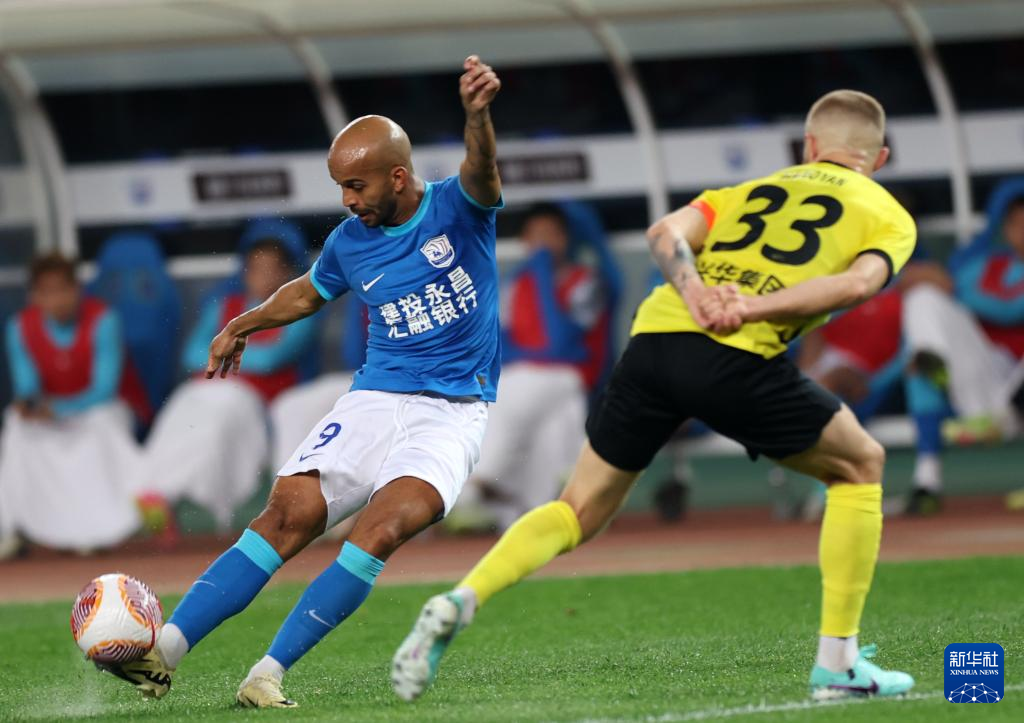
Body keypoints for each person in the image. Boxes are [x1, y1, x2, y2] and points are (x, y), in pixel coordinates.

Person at [393, 89, 918, 702]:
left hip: (655, 342)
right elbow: (856, 284)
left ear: (808, 146)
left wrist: (695, 293)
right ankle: (839, 665)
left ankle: (463, 597)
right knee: (860, 465)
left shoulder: (746, 191)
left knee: (576, 509)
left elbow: (665, 232)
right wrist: (749, 306)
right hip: (736, 353)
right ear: (879, 158)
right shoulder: (887, 214)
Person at [99, 55, 503, 709]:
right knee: (286, 514)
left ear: (398, 177)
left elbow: (482, 168)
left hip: (453, 412)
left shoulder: (460, 209)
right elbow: (308, 292)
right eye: (340, 186)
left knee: (378, 531)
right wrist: (243, 323)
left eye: (356, 185)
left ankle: (267, 673)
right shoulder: (350, 240)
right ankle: (160, 655)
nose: (347, 200)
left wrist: (477, 117)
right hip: (375, 397)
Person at [137, 224, 317, 531]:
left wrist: (224, 353)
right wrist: (236, 357)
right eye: (256, 268)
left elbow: (272, 358)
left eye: (272, 268)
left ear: (287, 272)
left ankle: (169, 492)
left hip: (256, 400)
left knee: (216, 421)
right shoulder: (224, 306)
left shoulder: (300, 308)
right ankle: (151, 491)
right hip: (205, 390)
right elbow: (191, 353)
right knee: (180, 411)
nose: (263, 276)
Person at [455, 202, 612, 530]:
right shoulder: (515, 285)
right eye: (535, 236)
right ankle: (522, 512)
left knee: (506, 397)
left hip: (568, 376)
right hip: (534, 383)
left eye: (551, 234)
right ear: (524, 241)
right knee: (545, 435)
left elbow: (560, 343)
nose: (542, 243)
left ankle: (479, 482)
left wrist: (541, 274)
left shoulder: (586, 281)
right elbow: (499, 345)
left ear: (565, 239)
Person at [0, 254, 141, 555]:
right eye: (47, 292)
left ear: (78, 289)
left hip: (98, 411)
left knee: (103, 420)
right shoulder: (19, 326)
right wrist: (29, 405)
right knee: (14, 422)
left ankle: (99, 529)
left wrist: (59, 409)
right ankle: (12, 527)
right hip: (53, 414)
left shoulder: (104, 319)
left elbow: (104, 389)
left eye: (63, 289)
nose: (57, 299)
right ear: (34, 296)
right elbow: (27, 384)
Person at [899, 179, 1024, 511]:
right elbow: (948, 288)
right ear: (1005, 227)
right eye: (1016, 222)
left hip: (1017, 389)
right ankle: (927, 482)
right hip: (985, 378)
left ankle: (993, 417)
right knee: (923, 298)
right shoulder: (983, 263)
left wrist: (956, 289)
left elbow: (1009, 309)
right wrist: (936, 280)